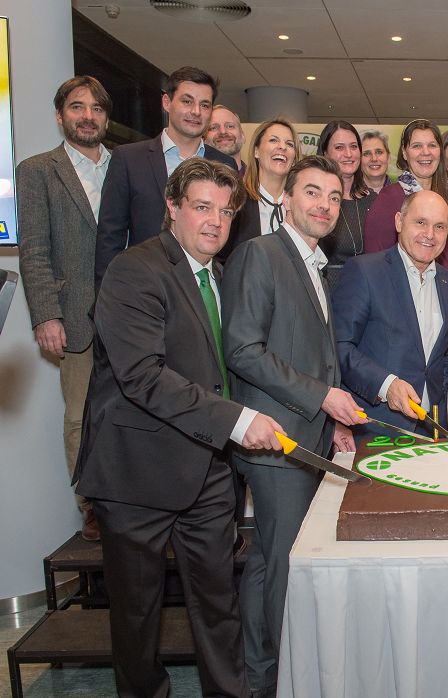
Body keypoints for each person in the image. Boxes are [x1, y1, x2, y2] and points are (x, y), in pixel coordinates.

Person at [74, 158, 283, 698]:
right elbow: (143, 377)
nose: (215, 221)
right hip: (137, 475)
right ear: (172, 208)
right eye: (202, 207)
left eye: (226, 210)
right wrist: (238, 421)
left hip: (209, 474)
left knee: (219, 610)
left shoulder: (219, 274)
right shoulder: (134, 271)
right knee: (138, 623)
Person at [222, 155, 366, 698]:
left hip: (308, 436)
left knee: (265, 561)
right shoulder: (260, 254)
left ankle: (262, 676)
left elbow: (314, 352)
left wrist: (333, 419)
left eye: (333, 196)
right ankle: (288, 678)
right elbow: (243, 348)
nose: (324, 205)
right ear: (285, 198)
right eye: (312, 192)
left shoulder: (313, 261)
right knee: (283, 567)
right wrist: (320, 396)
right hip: (276, 440)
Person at [17, 76, 112, 541]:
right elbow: (33, 250)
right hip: (73, 314)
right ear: (60, 115)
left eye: (96, 108)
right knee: (79, 415)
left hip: (128, 312)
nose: (87, 116)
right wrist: (45, 315)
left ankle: (129, 495)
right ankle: (90, 503)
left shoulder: (125, 166)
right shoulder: (37, 170)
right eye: (77, 107)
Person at [95, 66, 237, 285]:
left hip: (204, 289)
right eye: (187, 101)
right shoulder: (129, 159)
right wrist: (108, 298)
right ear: (166, 103)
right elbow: (109, 238)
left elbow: (229, 239)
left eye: (204, 105)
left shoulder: (224, 164)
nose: (196, 112)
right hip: (143, 288)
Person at [334, 190, 448, 442]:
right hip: (375, 425)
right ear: (399, 221)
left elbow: (444, 356)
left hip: (430, 430)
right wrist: (386, 384)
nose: (430, 234)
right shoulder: (365, 271)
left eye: (440, 226)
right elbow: (339, 346)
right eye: (420, 222)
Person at [362, 119, 448, 270]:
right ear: (404, 153)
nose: (425, 152)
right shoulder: (389, 199)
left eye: (432, 145)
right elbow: (375, 261)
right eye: (417, 146)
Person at [221, 119, 299, 258]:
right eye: (273, 140)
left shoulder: (301, 205)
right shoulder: (235, 200)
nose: (282, 147)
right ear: (256, 151)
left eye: (289, 144)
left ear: (294, 160)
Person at [316, 120, 376, 284]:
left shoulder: (374, 200)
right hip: (329, 289)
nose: (349, 154)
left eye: (354, 146)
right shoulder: (318, 204)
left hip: (368, 290)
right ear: (325, 154)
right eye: (339, 147)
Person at [205, 104, 245, 173]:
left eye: (230, 126)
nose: (223, 132)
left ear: (243, 135)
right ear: (203, 139)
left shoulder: (258, 181)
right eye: (213, 128)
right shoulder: (191, 180)